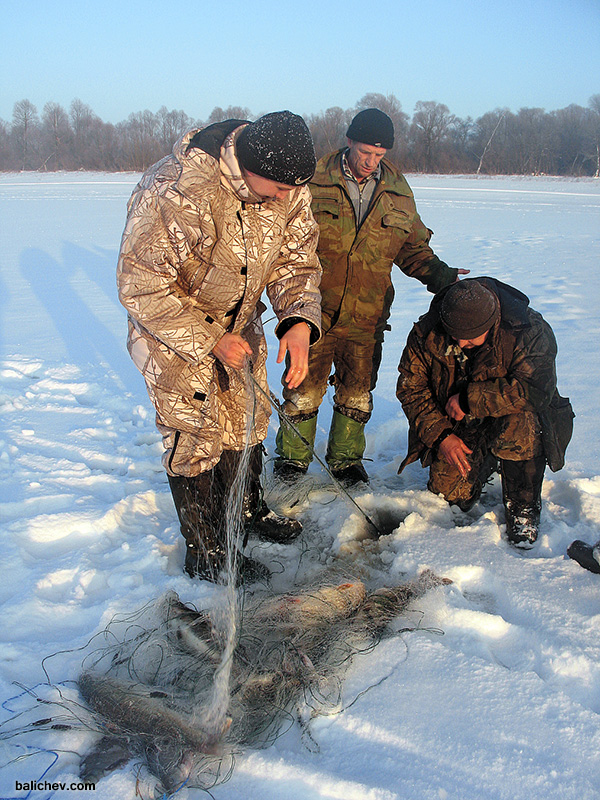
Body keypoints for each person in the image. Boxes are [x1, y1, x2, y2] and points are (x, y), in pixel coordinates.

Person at [117, 111, 322, 583]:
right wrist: (210, 338)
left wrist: (297, 321)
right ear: (248, 166)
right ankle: (206, 551)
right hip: (172, 329)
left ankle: (247, 511)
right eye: (280, 187)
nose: (289, 198)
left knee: (246, 421)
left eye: (295, 188)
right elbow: (140, 286)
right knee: (196, 434)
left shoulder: (287, 184)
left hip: (240, 322)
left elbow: (297, 259)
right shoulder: (173, 190)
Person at [274, 108, 465, 487]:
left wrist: (442, 277)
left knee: (357, 392)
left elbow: (411, 248)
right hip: (313, 312)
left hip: (367, 316)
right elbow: (280, 242)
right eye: (365, 151)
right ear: (349, 142)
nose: (371, 162)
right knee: (302, 389)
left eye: (379, 155)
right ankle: (292, 462)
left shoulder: (397, 189)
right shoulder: (312, 180)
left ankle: (346, 461)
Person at [396, 277, 574, 548]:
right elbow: (411, 390)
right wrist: (441, 436)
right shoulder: (427, 332)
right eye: (454, 334)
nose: (460, 342)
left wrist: (469, 401)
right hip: (459, 424)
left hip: (513, 417)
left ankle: (523, 506)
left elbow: (535, 389)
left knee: (524, 421)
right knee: (450, 496)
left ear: (490, 325)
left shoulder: (528, 330)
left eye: (469, 337)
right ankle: (485, 460)